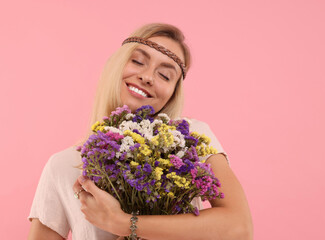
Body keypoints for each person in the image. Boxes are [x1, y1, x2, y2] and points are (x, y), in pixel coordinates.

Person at [28, 23, 253, 240]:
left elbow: (239, 228)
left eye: (165, 75)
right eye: (137, 61)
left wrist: (124, 224)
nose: (147, 77)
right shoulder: (62, 165)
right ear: (117, 64)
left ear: (173, 93)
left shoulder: (190, 139)